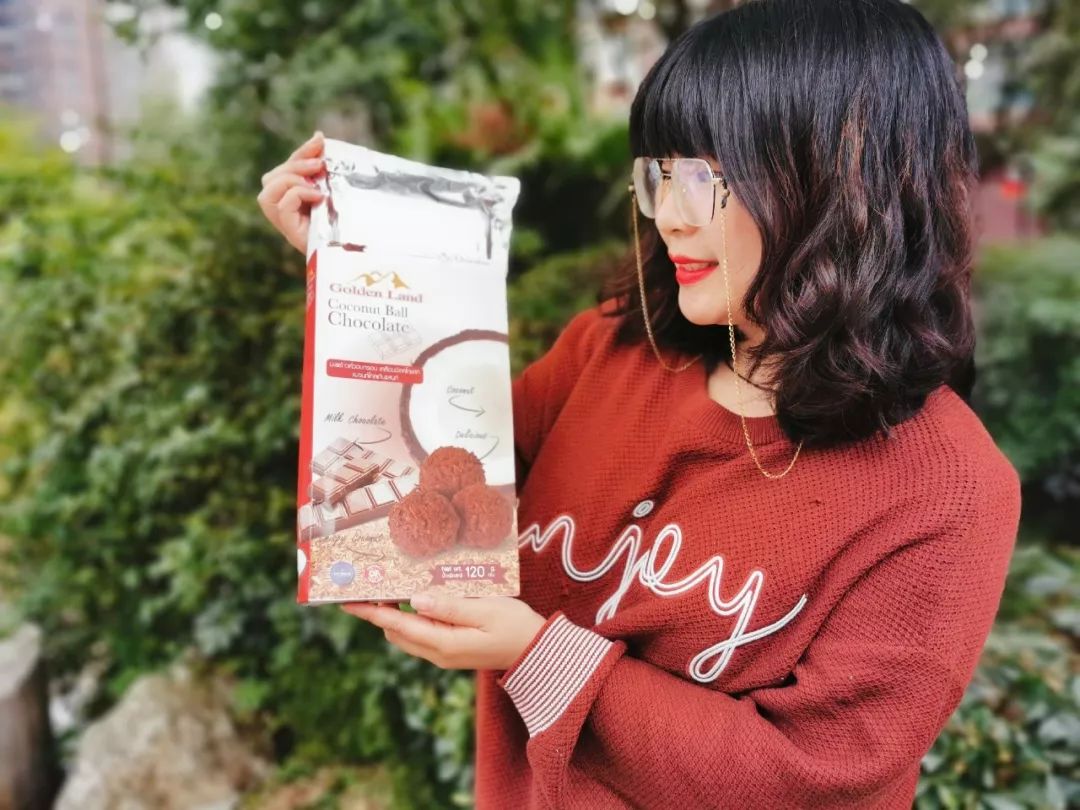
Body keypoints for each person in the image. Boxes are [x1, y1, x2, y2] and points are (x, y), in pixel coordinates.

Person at [257, 0, 1021, 807]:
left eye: (708, 179)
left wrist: (538, 658)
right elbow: (433, 491)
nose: (671, 219)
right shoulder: (612, 351)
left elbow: (811, 773)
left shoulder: (947, 491)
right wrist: (365, 282)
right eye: (661, 174)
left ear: (849, 181)